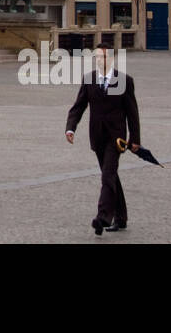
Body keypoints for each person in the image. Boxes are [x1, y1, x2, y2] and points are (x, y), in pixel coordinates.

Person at [65, 42, 141, 235]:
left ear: (112, 59)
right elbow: (79, 106)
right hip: (97, 136)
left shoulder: (125, 81)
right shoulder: (89, 79)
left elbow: (132, 113)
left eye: (104, 57)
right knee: (111, 176)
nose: (101, 60)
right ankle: (121, 218)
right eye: (98, 57)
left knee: (107, 175)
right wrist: (70, 128)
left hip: (116, 138)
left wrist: (135, 138)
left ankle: (103, 217)